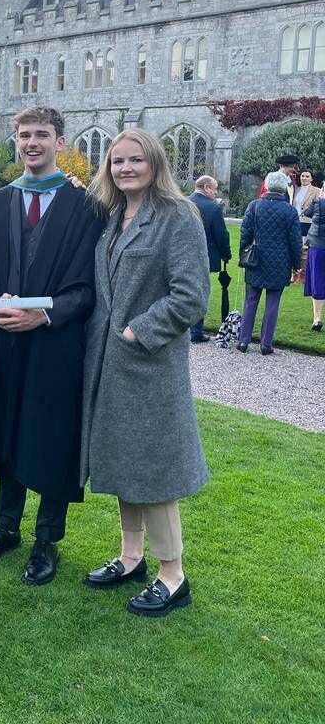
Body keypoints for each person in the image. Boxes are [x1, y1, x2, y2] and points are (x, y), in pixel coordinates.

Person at [0, 106, 104, 585]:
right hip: (2, 339)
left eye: (42, 135)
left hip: (54, 345)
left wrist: (44, 313)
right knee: (5, 425)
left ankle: (47, 539)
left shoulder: (86, 209)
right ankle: (5, 527)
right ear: (16, 140)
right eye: (24, 135)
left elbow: (89, 287)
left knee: (49, 436)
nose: (32, 143)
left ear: (60, 143)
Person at [80, 128, 210, 617]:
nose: (126, 168)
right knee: (123, 465)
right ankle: (131, 557)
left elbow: (191, 295)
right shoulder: (113, 217)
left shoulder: (178, 217)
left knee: (154, 473)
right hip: (109, 367)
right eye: (117, 162)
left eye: (136, 160)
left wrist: (138, 331)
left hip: (150, 367)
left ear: (155, 164)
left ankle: (172, 575)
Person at [237, 171, 302, 355]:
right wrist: (297, 264)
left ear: (267, 185)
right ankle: (266, 344)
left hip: (256, 258)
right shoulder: (289, 211)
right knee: (272, 302)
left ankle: (243, 340)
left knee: (250, 300)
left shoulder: (254, 206)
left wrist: (242, 255)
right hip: (280, 262)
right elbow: (295, 241)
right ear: (283, 188)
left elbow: (245, 235)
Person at [187, 175, 231, 343]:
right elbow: (221, 235)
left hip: (181, 255)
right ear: (206, 188)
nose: (216, 192)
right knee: (200, 292)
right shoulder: (213, 208)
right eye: (214, 188)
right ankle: (196, 331)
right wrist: (226, 254)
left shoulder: (182, 203)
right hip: (203, 257)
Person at [302, 185, 325, 331]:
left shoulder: (317, 202)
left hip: (317, 245)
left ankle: (317, 318)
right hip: (318, 244)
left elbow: (307, 213)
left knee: (317, 279)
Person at [294, 169, 317, 238]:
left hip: (308, 223)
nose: (304, 178)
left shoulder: (317, 191)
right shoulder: (296, 190)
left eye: (307, 176)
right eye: (302, 176)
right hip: (295, 221)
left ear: (311, 179)